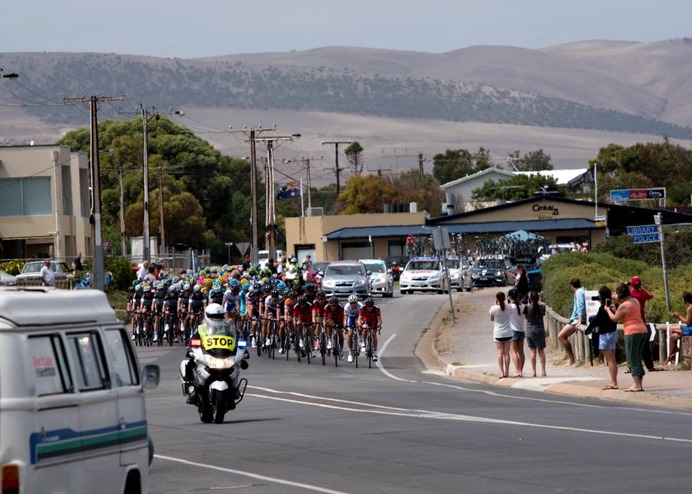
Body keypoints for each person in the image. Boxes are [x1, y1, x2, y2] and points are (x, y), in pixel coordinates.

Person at [605, 283, 647, 392]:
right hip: (642, 330)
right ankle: (639, 384)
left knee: (632, 358)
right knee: (637, 358)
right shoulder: (635, 301)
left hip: (632, 332)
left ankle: (636, 384)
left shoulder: (624, 305)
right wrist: (616, 309)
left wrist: (608, 310)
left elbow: (614, 319)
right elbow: (624, 316)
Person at [586, 285, 619, 390]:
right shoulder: (614, 306)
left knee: (610, 360)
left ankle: (614, 382)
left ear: (601, 297)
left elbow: (597, 321)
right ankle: (614, 381)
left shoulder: (603, 308)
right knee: (612, 359)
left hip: (605, 335)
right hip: (613, 333)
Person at [628, 276, 656, 371]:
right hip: (642, 322)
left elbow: (616, 295)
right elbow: (651, 295)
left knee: (632, 348)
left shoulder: (630, 294)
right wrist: (642, 287)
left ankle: (632, 367)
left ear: (631, 284)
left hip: (631, 323)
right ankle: (650, 366)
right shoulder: (643, 294)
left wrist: (625, 285)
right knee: (645, 347)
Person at [557, 278, 586, 365]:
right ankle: (571, 358)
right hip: (575, 319)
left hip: (577, 319)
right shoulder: (583, 290)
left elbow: (581, 306)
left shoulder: (578, 292)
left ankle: (571, 358)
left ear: (572, 286)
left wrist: (580, 320)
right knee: (562, 336)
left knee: (561, 336)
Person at [663, 291, 692, 365]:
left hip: (690, 328)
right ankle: (672, 353)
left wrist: (678, 316)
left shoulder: (690, 308)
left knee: (671, 329)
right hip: (690, 327)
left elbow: (687, 322)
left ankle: (671, 353)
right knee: (673, 336)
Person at [523, 291, 547, 377]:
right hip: (539, 329)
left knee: (532, 351)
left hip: (530, 330)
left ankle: (534, 372)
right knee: (541, 351)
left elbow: (526, 317)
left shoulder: (527, 307)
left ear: (530, 299)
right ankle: (543, 371)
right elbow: (542, 315)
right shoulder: (542, 307)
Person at [490, 291, 513, 378]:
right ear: (504, 298)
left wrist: (494, 304)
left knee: (500, 353)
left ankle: (501, 372)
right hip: (508, 332)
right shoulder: (509, 307)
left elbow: (491, 319)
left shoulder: (493, 308)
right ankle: (507, 371)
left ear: (496, 299)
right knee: (507, 353)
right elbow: (510, 312)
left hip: (498, 333)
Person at [357, 297, 382, 361]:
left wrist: (378, 325)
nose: (369, 308)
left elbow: (379, 319)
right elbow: (359, 318)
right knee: (365, 329)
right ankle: (363, 342)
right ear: (366, 306)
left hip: (374, 322)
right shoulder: (362, 308)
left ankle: (375, 352)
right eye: (368, 306)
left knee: (373, 334)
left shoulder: (376, 309)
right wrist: (360, 325)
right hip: (366, 321)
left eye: (371, 306)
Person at [507, 289, 525, 377]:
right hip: (521, 330)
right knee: (521, 352)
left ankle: (517, 370)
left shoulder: (510, 307)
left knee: (513, 351)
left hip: (513, 330)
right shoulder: (522, 306)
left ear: (509, 297)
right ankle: (521, 370)